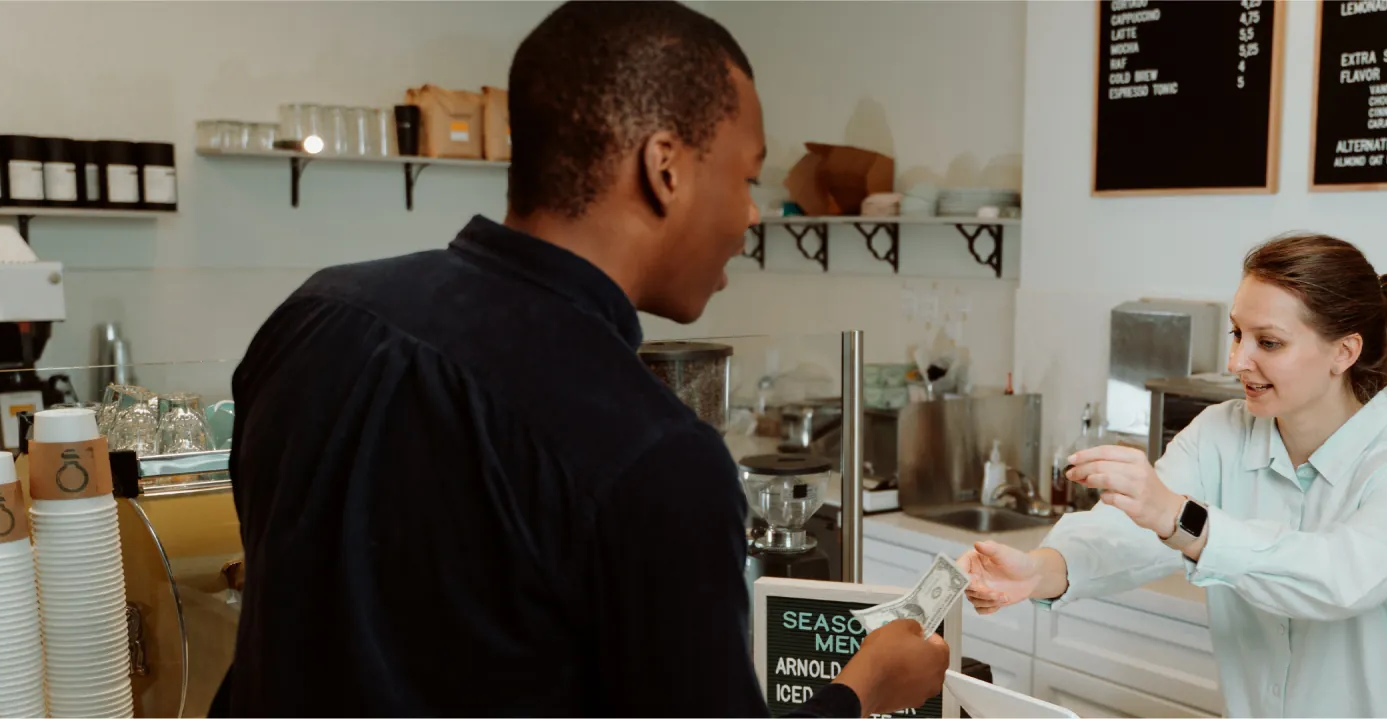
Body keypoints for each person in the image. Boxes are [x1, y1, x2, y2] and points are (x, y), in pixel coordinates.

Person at [211, 2, 948, 716]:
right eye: (747, 178)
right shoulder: (651, 453)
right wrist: (866, 686)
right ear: (664, 167)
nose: (752, 215)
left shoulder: (318, 315)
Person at [959, 234, 1387, 717]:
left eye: (1269, 342)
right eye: (1238, 334)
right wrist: (1041, 570)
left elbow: (1344, 578)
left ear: (1344, 352)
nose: (1237, 361)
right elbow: (1132, 532)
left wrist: (1181, 517)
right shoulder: (1220, 432)